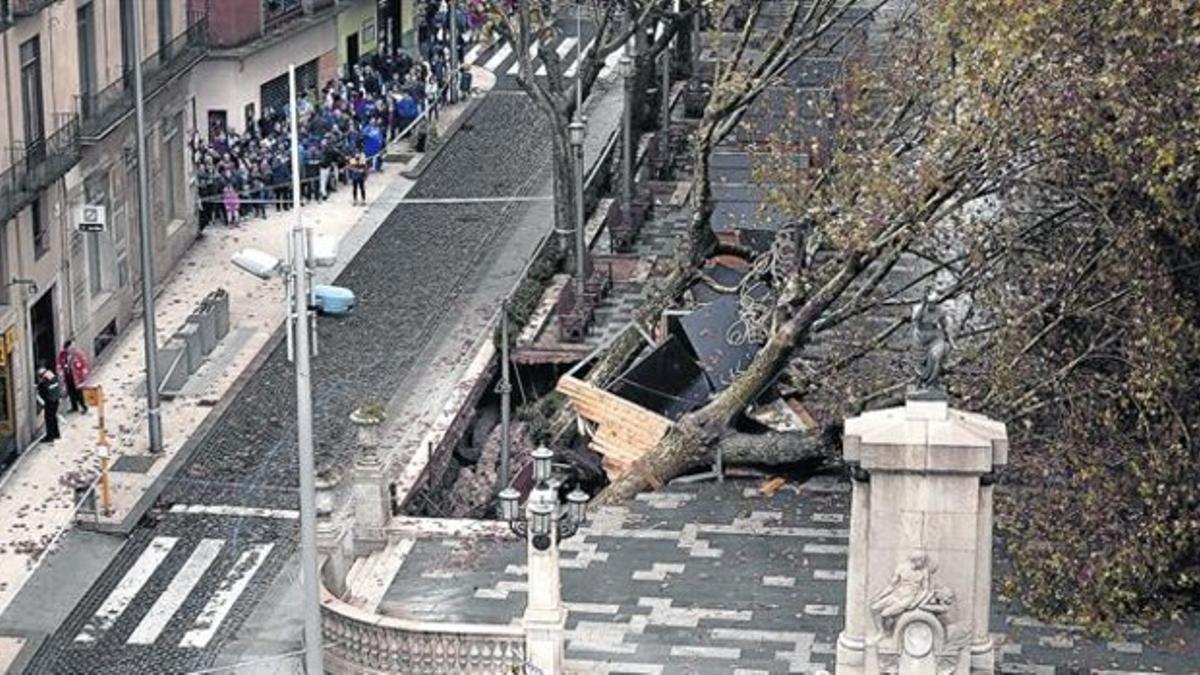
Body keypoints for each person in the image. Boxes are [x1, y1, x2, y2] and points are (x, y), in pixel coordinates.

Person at [56, 340, 90, 414]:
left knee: (79, 392)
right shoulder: (63, 354)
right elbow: (59, 363)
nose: (73, 348)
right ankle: (74, 407)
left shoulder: (78, 354)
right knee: (71, 392)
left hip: (77, 376)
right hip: (68, 376)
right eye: (71, 347)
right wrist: (60, 371)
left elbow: (84, 363)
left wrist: (84, 375)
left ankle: (84, 407)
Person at [35, 367, 62, 443]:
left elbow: (43, 391)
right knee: (53, 417)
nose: (40, 378)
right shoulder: (53, 378)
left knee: (49, 419)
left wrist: (39, 387)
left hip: (50, 402)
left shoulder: (45, 382)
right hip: (55, 400)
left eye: (40, 376)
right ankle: (56, 433)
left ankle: (50, 436)